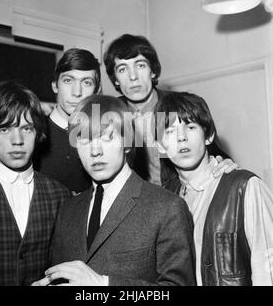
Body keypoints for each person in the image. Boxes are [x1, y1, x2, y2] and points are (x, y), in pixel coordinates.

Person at [32, 95, 196, 286]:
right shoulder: (67, 210)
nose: (95, 151)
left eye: (107, 138)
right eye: (84, 140)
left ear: (127, 142)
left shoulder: (168, 207)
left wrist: (103, 284)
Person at [155, 91, 273, 286]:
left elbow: (267, 269)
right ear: (160, 146)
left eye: (190, 126)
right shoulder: (163, 199)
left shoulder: (244, 187)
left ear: (208, 135)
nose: (181, 137)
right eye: (170, 131)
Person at [103, 33, 235, 187]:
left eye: (140, 65)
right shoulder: (109, 115)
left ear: (152, 71)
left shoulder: (179, 105)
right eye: (122, 69)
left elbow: (214, 153)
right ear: (116, 80)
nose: (133, 76)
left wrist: (224, 164)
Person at [0, 81, 71, 286]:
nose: (17, 140)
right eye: (4, 129)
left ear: (38, 133)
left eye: (26, 128)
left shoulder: (60, 195)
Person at [33, 48, 101, 195]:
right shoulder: (32, 133)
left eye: (87, 82)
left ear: (97, 91)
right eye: (68, 80)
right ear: (55, 86)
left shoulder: (102, 137)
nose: (77, 92)